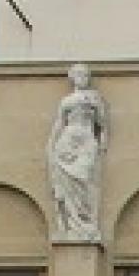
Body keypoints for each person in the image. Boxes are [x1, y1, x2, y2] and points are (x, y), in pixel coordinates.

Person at [47, 62, 108, 240]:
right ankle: (71, 226)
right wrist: (52, 143)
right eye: (79, 74)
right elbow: (60, 122)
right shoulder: (66, 101)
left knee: (83, 178)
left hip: (86, 139)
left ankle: (84, 223)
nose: (82, 78)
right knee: (66, 184)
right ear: (72, 77)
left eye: (85, 74)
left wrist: (104, 136)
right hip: (67, 140)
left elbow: (102, 122)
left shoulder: (94, 97)